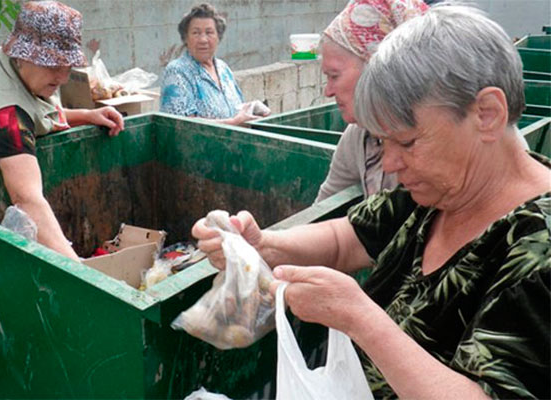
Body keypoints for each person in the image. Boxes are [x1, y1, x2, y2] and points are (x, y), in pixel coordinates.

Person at [193, 5, 550, 399]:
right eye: (383, 142)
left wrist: (360, 319)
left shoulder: (537, 247)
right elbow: (347, 240)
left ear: (486, 114)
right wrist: (263, 246)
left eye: (407, 141)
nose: (392, 163)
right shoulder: (441, 192)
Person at [0, 1, 124, 262]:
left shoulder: (8, 64)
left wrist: (87, 116)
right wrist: (83, 272)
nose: (63, 79)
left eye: (67, 67)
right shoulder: (4, 116)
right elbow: (27, 200)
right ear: (23, 56)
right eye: (54, 66)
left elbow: (36, 115)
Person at [314, 0, 428, 203]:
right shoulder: (359, 135)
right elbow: (325, 208)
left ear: (376, 71)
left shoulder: (435, 136)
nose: (328, 91)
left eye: (334, 75)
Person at [159, 3, 266, 125]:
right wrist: (233, 123)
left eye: (209, 32)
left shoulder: (223, 68)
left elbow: (233, 109)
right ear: (185, 38)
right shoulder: (177, 71)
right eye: (196, 33)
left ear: (218, 37)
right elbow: (182, 126)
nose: (203, 40)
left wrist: (251, 108)